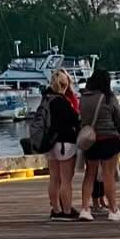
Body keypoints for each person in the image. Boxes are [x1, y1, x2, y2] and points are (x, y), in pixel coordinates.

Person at [76, 68, 120, 221]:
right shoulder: (109, 97)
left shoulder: (84, 98)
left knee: (89, 174)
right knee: (108, 174)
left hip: (90, 140)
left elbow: (81, 117)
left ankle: (85, 208)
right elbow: (118, 117)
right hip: (109, 138)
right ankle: (113, 209)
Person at [44, 67, 80, 219]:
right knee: (66, 179)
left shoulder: (46, 99)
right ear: (65, 85)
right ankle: (67, 210)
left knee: (54, 177)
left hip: (49, 143)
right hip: (65, 143)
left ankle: (56, 209)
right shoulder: (62, 101)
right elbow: (75, 120)